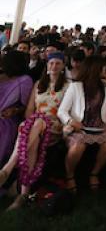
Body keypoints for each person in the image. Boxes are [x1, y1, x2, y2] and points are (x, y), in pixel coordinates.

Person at [0, 52, 68, 209]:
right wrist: (31, 121)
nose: (54, 66)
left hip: (55, 124)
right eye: (51, 63)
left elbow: (65, 111)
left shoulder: (68, 86)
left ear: (64, 65)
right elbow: (29, 110)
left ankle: (7, 169)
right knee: (32, 133)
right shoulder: (39, 84)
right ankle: (23, 194)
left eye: (58, 63)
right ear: (47, 65)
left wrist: (35, 121)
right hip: (35, 126)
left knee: (34, 124)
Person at [58, 55, 106, 193]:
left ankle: (94, 173)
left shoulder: (104, 85)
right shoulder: (76, 86)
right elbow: (62, 111)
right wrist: (70, 121)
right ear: (95, 69)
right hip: (80, 126)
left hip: (101, 125)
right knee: (77, 147)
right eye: (104, 68)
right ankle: (69, 176)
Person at [0, 51, 33, 174]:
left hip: (6, 120)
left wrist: (15, 110)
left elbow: (26, 106)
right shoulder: (2, 76)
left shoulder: (25, 80)